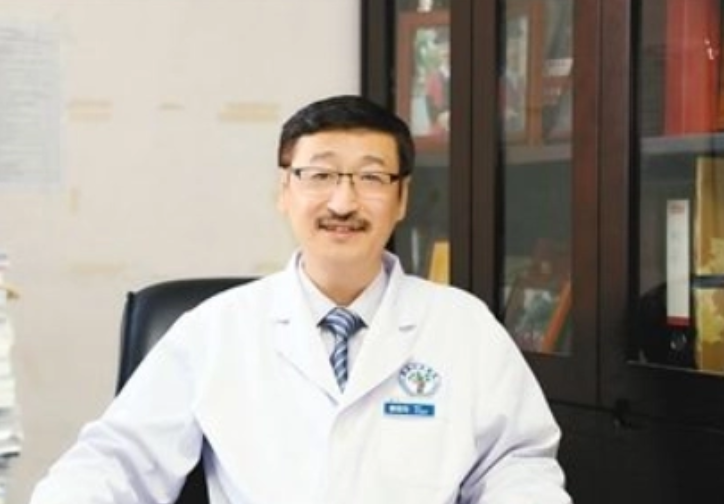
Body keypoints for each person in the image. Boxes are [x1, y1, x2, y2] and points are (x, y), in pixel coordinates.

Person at [30, 95, 571, 503]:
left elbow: (516, 463)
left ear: (402, 197)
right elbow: (119, 461)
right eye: (320, 175)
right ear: (284, 191)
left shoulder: (462, 326)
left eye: (371, 177)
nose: (343, 201)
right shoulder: (215, 329)